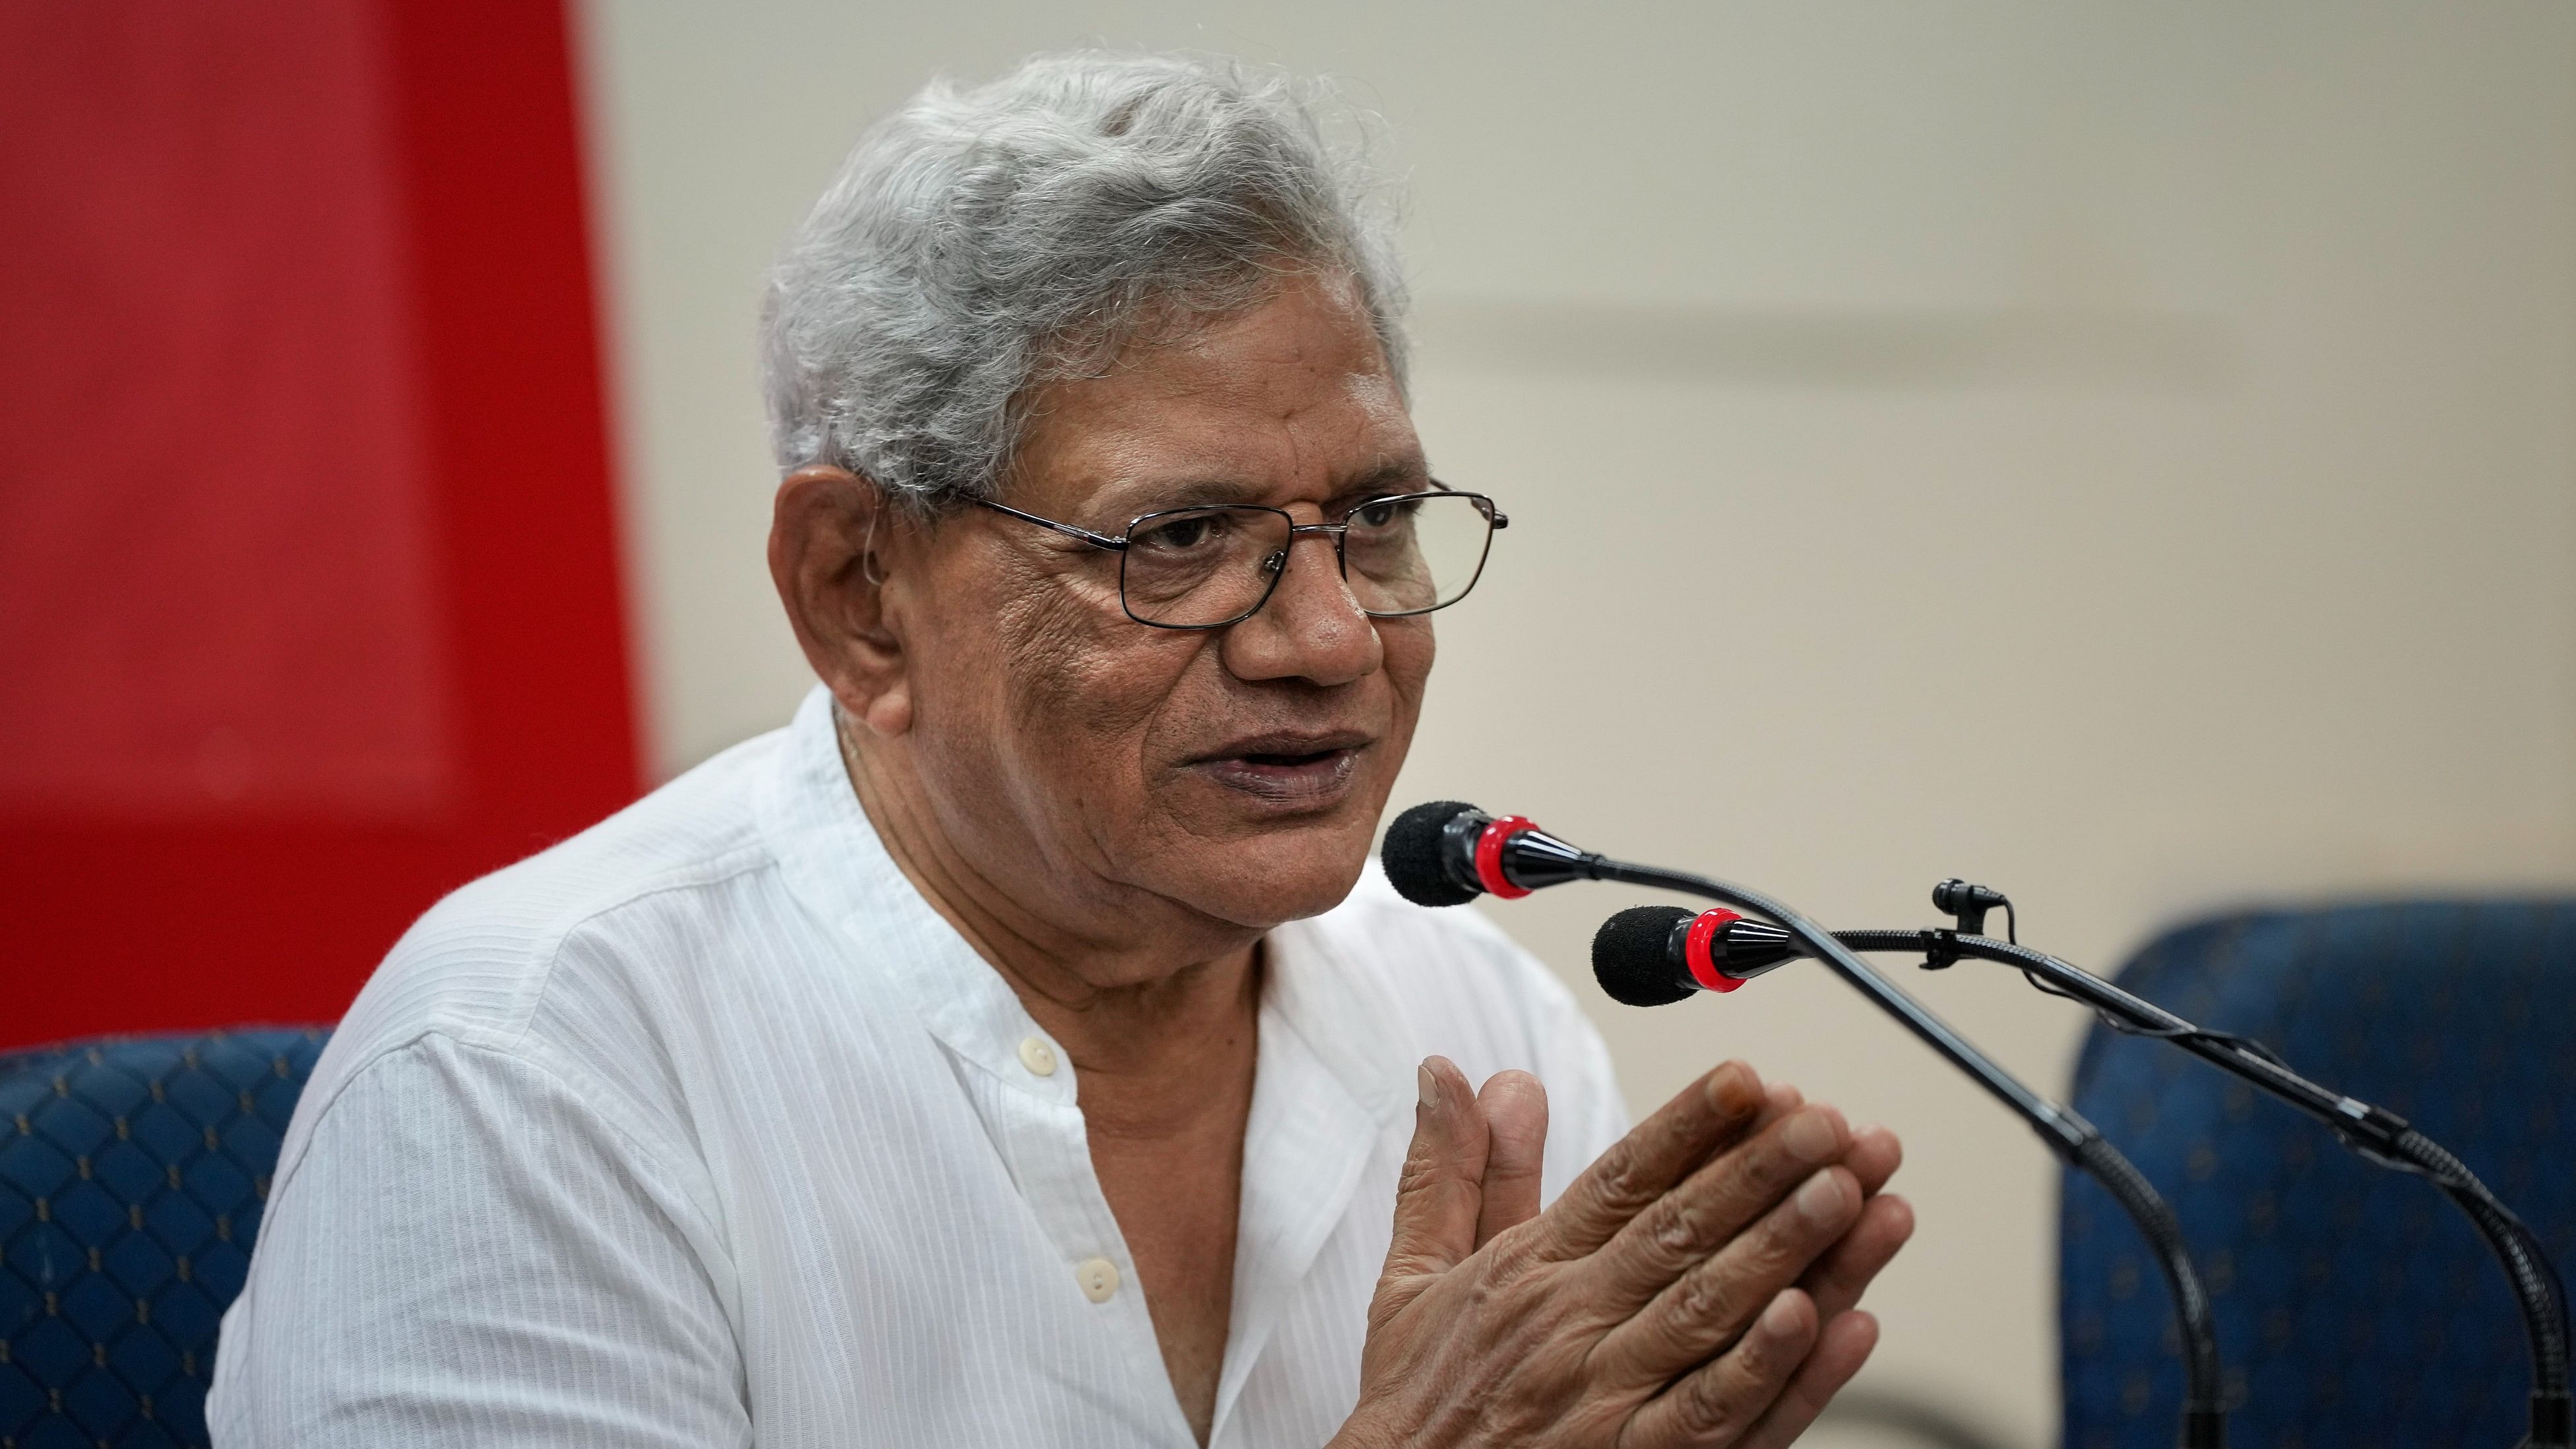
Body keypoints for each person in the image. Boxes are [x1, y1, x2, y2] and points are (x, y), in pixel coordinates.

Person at [210, 51, 1912, 1448]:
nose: (1329, 641)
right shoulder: (530, 1081)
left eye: (1378, 517)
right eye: (1175, 538)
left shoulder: (1479, 1030)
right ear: (860, 592)